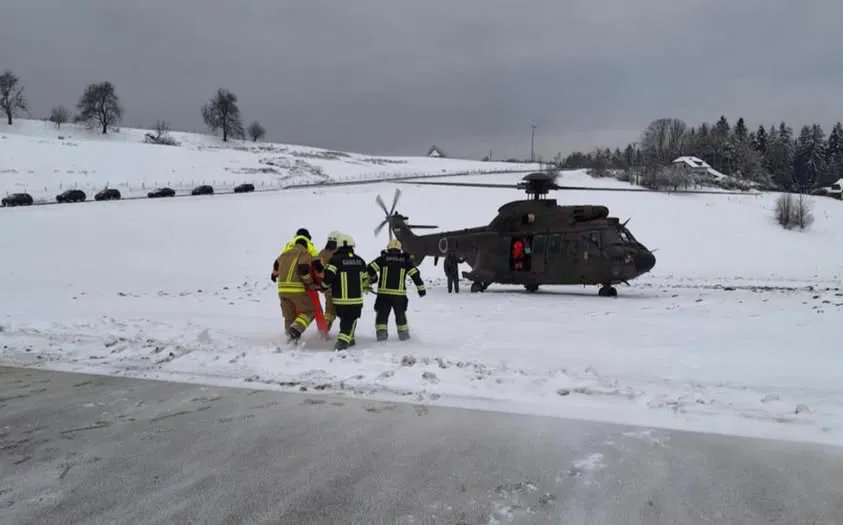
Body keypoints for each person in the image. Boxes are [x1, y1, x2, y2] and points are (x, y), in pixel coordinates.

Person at [366, 239, 426, 341]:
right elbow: (415, 275)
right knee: (400, 316)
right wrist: (421, 289)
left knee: (382, 317)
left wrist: (371, 279)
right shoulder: (405, 260)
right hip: (399, 296)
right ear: (399, 249)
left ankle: (381, 337)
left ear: (388, 248)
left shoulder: (382, 259)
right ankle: (404, 337)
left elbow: (369, 269)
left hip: (384, 295)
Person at [320, 233, 368, 351]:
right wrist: (364, 286)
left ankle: (349, 339)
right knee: (350, 320)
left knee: (345, 320)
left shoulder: (334, 260)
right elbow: (366, 279)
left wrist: (323, 287)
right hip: (355, 300)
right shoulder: (360, 260)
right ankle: (342, 342)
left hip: (338, 301)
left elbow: (328, 278)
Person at [271, 235, 318, 343]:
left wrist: (274, 274)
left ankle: (290, 341)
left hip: (282, 290)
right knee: (310, 311)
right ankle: (295, 330)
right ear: (305, 246)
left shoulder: (284, 253)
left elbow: (276, 265)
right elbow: (303, 270)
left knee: (289, 316)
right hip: (296, 289)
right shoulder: (304, 253)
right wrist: (310, 282)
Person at [317, 231, 341, 334]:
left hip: (326, 287)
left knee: (329, 311)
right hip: (339, 286)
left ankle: (324, 331)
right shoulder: (339, 253)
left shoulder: (321, 253)